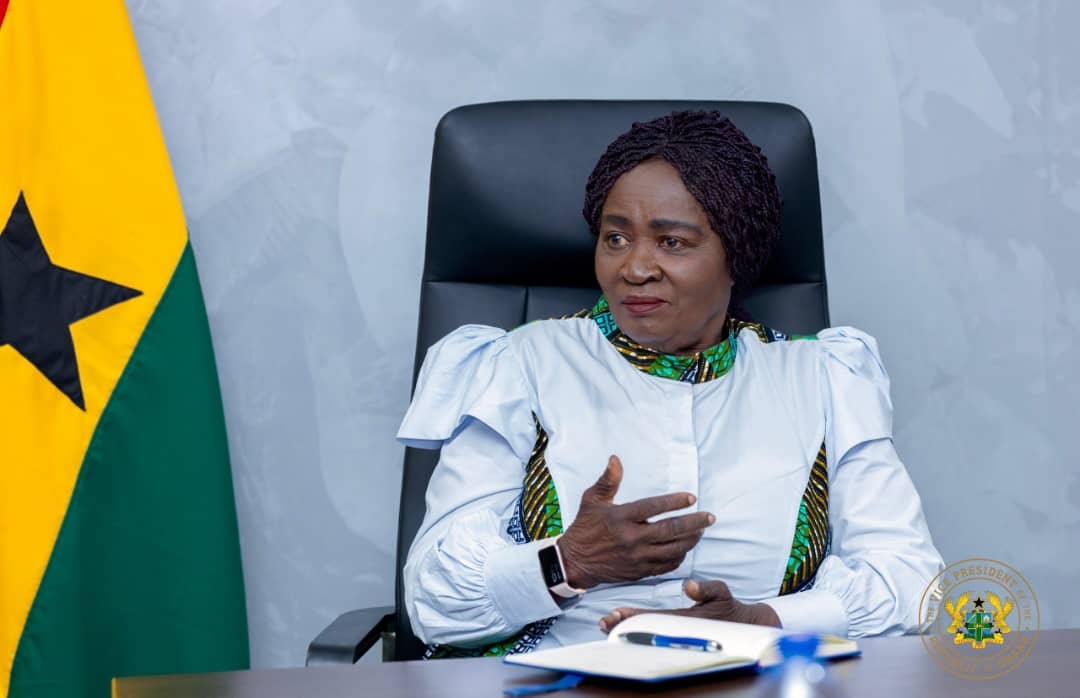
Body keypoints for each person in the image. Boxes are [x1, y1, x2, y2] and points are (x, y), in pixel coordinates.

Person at [397, 110, 944, 657]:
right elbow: (431, 602)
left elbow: (913, 585)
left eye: (672, 243)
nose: (635, 268)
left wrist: (761, 620)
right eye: (615, 238)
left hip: (758, 680)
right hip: (559, 681)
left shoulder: (824, 378)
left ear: (737, 253)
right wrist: (569, 562)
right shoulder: (519, 366)